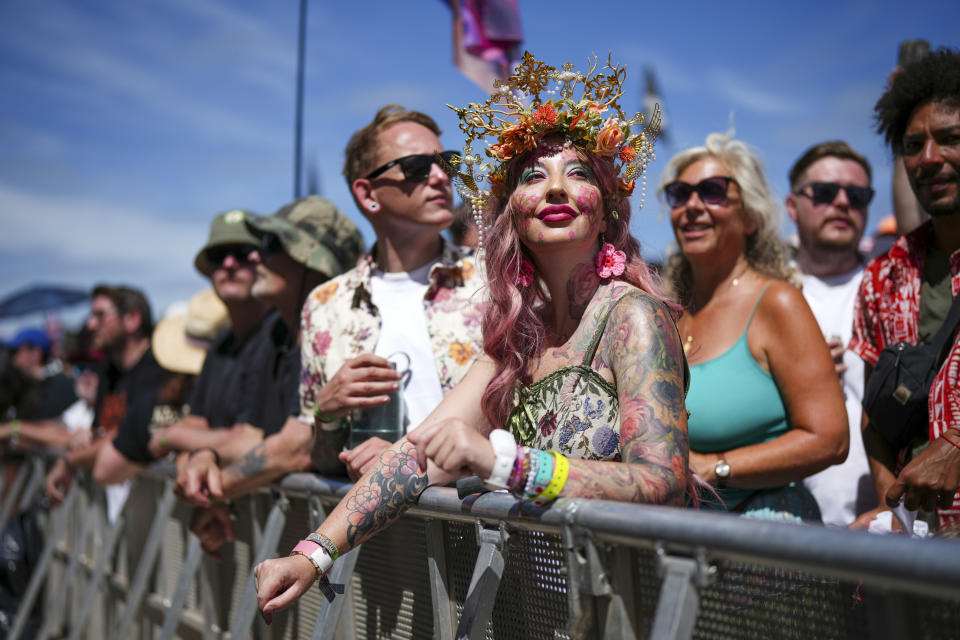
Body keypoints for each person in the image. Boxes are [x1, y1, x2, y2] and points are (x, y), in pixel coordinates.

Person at [253, 53, 690, 620]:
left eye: (579, 172)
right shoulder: (519, 339)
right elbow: (415, 457)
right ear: (514, 212)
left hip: (623, 608)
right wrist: (312, 554)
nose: (556, 188)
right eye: (534, 176)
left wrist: (503, 463)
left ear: (608, 211)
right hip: (533, 614)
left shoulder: (632, 317)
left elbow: (665, 480)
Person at [661, 133, 848, 521]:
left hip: (763, 540)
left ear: (750, 216)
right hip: (683, 541)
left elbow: (830, 440)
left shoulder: (778, 302)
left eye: (713, 191)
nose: (692, 206)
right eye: (680, 193)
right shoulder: (668, 312)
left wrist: (715, 467)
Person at [301, 104, 486, 482]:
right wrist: (326, 414)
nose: (439, 177)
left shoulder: (496, 276)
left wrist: (403, 460)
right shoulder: (325, 307)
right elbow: (322, 464)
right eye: (417, 167)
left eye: (447, 163)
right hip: (381, 539)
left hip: (487, 530)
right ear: (368, 193)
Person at [176, 197, 364, 556]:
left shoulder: (340, 330)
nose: (255, 258)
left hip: (364, 548)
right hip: (308, 547)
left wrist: (209, 489)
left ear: (311, 260)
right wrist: (201, 457)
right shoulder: (275, 339)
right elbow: (256, 437)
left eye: (272, 245)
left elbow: (296, 450)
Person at [850, 48, 960, 535]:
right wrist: (892, 510)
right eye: (914, 145)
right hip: (917, 558)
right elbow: (875, 420)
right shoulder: (883, 277)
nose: (929, 159)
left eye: (951, 139)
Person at [785, 141, 877, 527]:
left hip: (884, 534)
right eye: (824, 193)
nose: (842, 202)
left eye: (857, 196)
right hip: (782, 534)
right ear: (791, 207)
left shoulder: (896, 292)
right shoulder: (761, 294)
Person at [148, 210, 272, 458]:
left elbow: (249, 439)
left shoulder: (280, 336)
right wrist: (191, 456)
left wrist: (170, 436)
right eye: (218, 256)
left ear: (265, 260)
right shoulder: (220, 343)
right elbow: (196, 422)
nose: (229, 264)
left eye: (243, 254)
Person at [44, 285, 169, 513]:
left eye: (100, 315)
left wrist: (69, 461)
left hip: (154, 515)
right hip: (112, 510)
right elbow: (103, 434)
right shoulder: (108, 373)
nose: (91, 324)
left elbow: (125, 437)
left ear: (132, 319)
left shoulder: (159, 371)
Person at [91, 290, 229, 485]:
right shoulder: (250, 396)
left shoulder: (154, 403)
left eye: (100, 316)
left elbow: (104, 471)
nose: (91, 324)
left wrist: (170, 438)